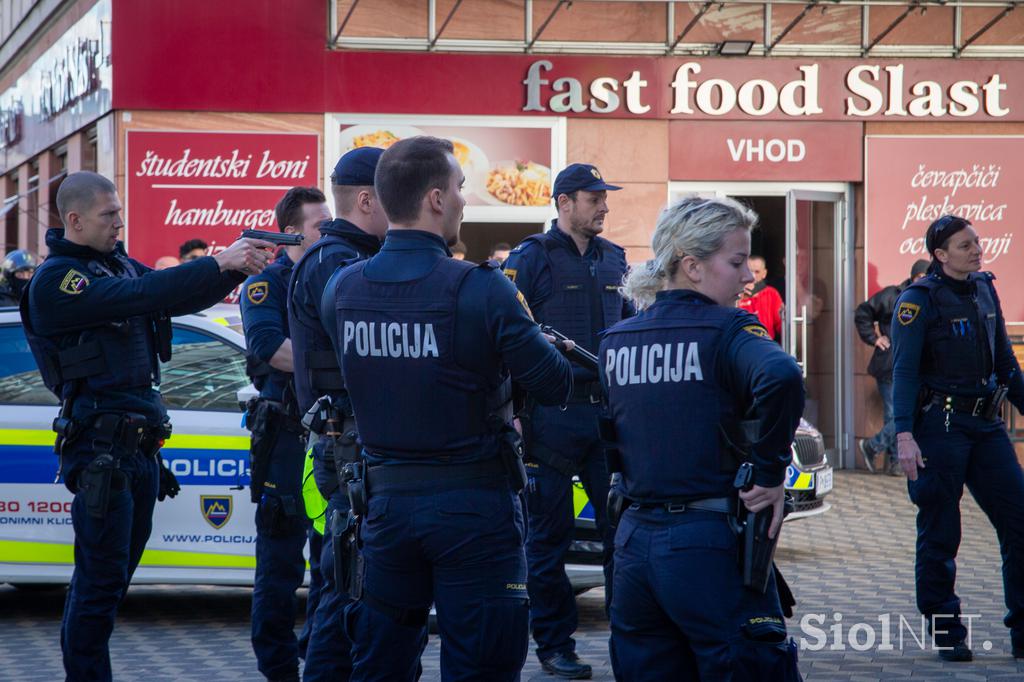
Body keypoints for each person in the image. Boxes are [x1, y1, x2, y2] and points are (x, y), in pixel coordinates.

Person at [327, 136, 574, 680]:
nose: (466, 200)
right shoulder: (481, 288)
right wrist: (530, 344)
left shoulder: (343, 287)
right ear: (437, 199)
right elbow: (556, 385)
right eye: (461, 188)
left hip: (385, 508)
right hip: (473, 508)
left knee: (380, 663)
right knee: (482, 662)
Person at [20, 171, 272, 682]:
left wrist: (232, 271)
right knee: (98, 585)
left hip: (135, 450)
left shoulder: (112, 265)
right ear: (75, 220)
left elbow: (170, 297)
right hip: (101, 452)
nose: (119, 221)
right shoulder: (59, 280)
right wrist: (218, 260)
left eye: (119, 211)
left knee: (112, 582)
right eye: (108, 214)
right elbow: (141, 295)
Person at [601, 196, 804, 680]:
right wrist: (770, 473)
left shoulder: (617, 338)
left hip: (633, 546)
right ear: (691, 266)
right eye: (736, 262)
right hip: (706, 543)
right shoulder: (729, 329)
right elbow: (783, 377)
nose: (748, 277)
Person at [501, 162, 631, 679]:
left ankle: (632, 639)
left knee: (621, 533)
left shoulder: (615, 259)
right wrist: (509, 413)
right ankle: (555, 645)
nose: (604, 205)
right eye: (593, 197)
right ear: (563, 203)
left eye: (604, 196)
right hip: (548, 419)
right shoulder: (529, 259)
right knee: (547, 541)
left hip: (606, 417)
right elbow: (505, 339)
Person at [891, 214, 1024, 662]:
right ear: (941, 255)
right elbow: (904, 371)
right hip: (938, 430)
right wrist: (903, 434)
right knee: (941, 532)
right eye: (965, 245)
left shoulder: (985, 288)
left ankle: (1022, 629)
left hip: (986, 427)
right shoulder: (918, 300)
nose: (976, 249)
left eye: (976, 242)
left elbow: (1005, 361)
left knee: (1019, 521)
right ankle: (947, 629)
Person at [287, 147, 388, 681]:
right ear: (369, 199)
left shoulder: (341, 258)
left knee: (347, 586)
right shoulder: (337, 264)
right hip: (346, 446)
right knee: (344, 590)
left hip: (347, 444)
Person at [242, 187, 331, 682]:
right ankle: (278, 671)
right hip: (286, 439)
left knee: (332, 560)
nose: (330, 230)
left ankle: (317, 658)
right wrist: (345, 364)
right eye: (321, 224)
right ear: (292, 231)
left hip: (330, 437)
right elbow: (268, 347)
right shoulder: (268, 283)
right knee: (278, 568)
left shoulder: (335, 275)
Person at [854, 259, 929, 474]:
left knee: (897, 414)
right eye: (920, 277)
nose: (924, 281)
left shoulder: (930, 297)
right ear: (913, 277)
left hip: (913, 366)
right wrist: (874, 338)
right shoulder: (892, 295)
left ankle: (893, 461)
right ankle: (874, 447)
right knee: (899, 415)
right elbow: (863, 313)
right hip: (889, 365)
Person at [737, 254, 783, 342]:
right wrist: (740, 297)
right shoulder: (734, 293)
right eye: (749, 271)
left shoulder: (771, 294)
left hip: (765, 345)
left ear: (764, 273)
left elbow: (781, 326)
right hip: (740, 345)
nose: (753, 276)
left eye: (757, 272)